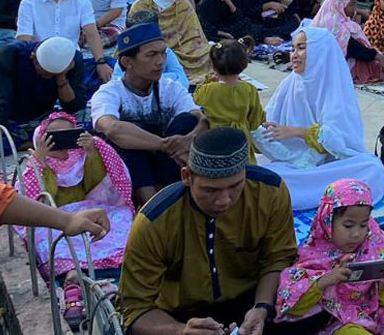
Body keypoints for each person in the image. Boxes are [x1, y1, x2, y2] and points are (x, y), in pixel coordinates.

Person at [118, 128, 302, 335]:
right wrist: (181, 331)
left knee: (316, 305)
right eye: (210, 190)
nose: (224, 200)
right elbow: (135, 309)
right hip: (181, 315)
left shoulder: (271, 192)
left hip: (254, 300)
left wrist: (262, 308)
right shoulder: (154, 221)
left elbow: (278, 259)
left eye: (235, 186)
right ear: (187, 176)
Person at [275, 179, 384, 334]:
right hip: (335, 322)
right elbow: (292, 305)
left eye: (364, 225)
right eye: (348, 225)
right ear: (327, 221)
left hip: (376, 316)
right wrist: (325, 281)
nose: (357, 234)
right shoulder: (312, 254)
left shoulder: (375, 245)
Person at [254, 26, 384, 210]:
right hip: (293, 162)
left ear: (320, 51)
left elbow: (341, 143)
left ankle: (299, 194)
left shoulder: (335, 85)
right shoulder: (291, 82)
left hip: (332, 163)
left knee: (373, 170)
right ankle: (330, 194)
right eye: (293, 48)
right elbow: (268, 123)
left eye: (302, 48)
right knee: (263, 177)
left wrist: (296, 132)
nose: (294, 54)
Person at [14, 112, 134, 320]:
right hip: (54, 214)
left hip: (90, 207)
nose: (61, 141)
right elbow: (40, 197)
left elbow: (95, 185)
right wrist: (41, 161)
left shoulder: (81, 157)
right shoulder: (39, 162)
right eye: (53, 136)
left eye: (67, 134)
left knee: (120, 221)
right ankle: (72, 276)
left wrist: (92, 153)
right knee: (53, 238)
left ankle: (119, 269)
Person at [90, 23, 206, 204]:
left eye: (163, 53)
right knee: (126, 139)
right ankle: (150, 203)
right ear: (127, 62)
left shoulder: (170, 88)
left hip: (166, 162)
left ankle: (167, 193)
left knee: (187, 121)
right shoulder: (109, 92)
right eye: (152, 55)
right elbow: (112, 128)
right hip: (129, 170)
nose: (160, 61)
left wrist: (189, 138)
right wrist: (162, 144)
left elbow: (201, 119)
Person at [0, 36, 86, 149]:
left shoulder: (72, 59)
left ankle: (33, 141)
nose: (45, 76)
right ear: (34, 57)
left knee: (86, 123)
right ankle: (32, 142)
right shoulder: (11, 53)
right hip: (9, 119)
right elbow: (0, 104)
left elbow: (74, 107)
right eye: (43, 71)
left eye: (50, 74)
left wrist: (61, 77)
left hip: (43, 120)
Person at [128, 0, 214, 81]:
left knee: (211, 52)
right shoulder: (141, 5)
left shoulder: (183, 5)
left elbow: (195, 33)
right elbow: (134, 34)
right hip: (152, 48)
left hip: (183, 50)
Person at [194, 39, 265, 162]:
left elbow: (196, 100)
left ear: (213, 65)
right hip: (241, 138)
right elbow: (255, 121)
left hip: (214, 136)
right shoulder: (250, 90)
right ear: (243, 64)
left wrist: (207, 80)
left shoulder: (206, 90)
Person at [311, 0, 384, 84]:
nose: (354, 8)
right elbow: (351, 46)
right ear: (341, 3)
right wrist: (377, 56)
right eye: (352, 4)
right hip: (328, 65)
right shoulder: (331, 21)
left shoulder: (340, 17)